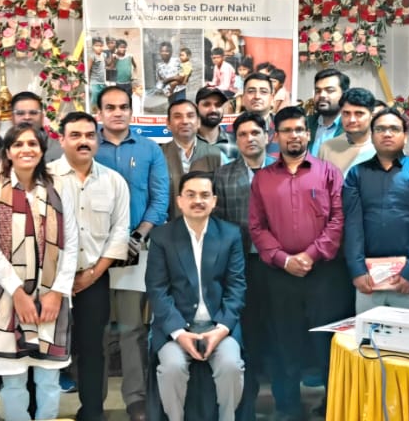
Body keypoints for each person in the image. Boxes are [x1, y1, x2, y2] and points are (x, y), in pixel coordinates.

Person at [249, 106, 348, 419]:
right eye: (287, 130)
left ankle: (332, 406)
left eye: (299, 130)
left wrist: (310, 255)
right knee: (283, 344)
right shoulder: (263, 178)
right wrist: (283, 259)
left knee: (326, 344)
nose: (294, 136)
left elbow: (337, 220)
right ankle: (287, 407)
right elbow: (257, 227)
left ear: (308, 133)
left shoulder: (328, 173)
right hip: (280, 276)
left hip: (323, 274)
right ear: (276, 136)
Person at [0, 122, 79, 421]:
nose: (26, 149)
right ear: (8, 152)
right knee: (13, 383)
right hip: (7, 298)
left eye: (32, 144)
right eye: (18, 144)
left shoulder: (60, 186)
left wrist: (57, 292)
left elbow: (72, 243)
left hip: (52, 297)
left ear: (42, 150)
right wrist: (18, 293)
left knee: (48, 381)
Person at [94, 86, 169, 420]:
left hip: (135, 249)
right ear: (99, 113)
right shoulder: (88, 146)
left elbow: (160, 199)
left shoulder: (150, 149)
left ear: (131, 110)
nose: (117, 112)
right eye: (110, 107)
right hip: (92, 252)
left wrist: (139, 234)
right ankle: (92, 400)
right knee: (94, 326)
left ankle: (136, 397)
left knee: (131, 327)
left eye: (123, 107)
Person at [148, 171, 247, 421]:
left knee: (231, 366)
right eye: (190, 195)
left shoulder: (230, 234)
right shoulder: (162, 237)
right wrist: (179, 333)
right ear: (179, 201)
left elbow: (236, 287)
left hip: (219, 325)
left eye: (204, 195)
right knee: (172, 368)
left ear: (214, 201)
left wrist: (221, 329)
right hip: (176, 327)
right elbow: (157, 290)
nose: (198, 201)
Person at [53, 112, 132, 421]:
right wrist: (61, 279)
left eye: (89, 135)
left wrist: (92, 275)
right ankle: (43, 411)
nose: (83, 141)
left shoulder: (114, 182)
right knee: (46, 348)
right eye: (75, 135)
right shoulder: (46, 177)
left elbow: (119, 232)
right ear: (62, 140)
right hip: (50, 282)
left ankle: (92, 411)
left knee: (92, 348)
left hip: (94, 279)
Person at [211, 112, 274, 419]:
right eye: (243, 134)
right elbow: (218, 223)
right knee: (244, 333)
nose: (250, 139)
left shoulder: (281, 171)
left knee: (275, 331)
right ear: (236, 140)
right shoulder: (223, 176)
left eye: (255, 133)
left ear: (267, 136)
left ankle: (282, 403)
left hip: (276, 265)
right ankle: (244, 404)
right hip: (239, 266)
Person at [344, 109, 409, 313]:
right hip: (368, 278)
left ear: (405, 136)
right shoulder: (356, 174)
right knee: (368, 333)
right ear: (372, 136)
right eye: (380, 129)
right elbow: (352, 225)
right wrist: (357, 270)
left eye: (394, 129)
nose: (387, 134)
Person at [162, 100, 223, 219]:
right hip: (169, 226)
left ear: (198, 122)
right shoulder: (158, 155)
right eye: (177, 116)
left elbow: (221, 197)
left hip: (207, 226)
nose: (185, 121)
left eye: (190, 116)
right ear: (168, 123)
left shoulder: (215, 154)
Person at [318, 87, 379, 174]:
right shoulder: (327, 148)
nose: (352, 120)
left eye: (359, 113)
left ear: (372, 116)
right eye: (346, 113)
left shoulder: (383, 148)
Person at [10, 92, 64, 162]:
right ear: (12, 118)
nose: (27, 117)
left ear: (42, 117)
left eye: (33, 113)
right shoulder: (1, 148)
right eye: (20, 113)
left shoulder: (61, 150)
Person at [307, 69, 348, 155]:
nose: (322, 95)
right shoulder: (306, 124)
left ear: (344, 94)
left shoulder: (351, 127)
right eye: (318, 91)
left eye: (330, 90)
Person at [195, 87, 238, 161]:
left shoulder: (236, 142)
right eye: (206, 104)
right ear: (196, 108)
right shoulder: (187, 142)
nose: (213, 110)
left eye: (218, 105)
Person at [88, 37, 109, 111]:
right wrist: (88, 81)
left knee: (102, 99)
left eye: (100, 46)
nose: (99, 47)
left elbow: (107, 65)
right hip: (94, 82)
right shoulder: (92, 56)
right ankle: (94, 113)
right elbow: (88, 69)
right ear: (93, 46)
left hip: (102, 82)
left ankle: (100, 112)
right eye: (96, 46)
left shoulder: (104, 55)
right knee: (94, 99)